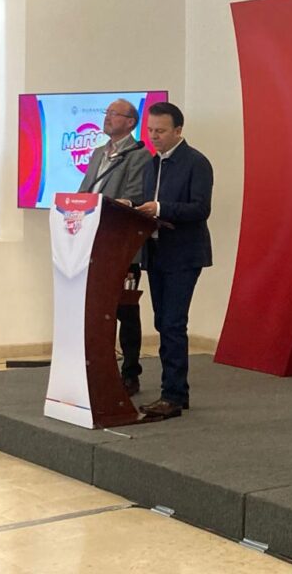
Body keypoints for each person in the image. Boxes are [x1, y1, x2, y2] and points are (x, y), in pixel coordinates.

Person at [135, 102, 213, 419]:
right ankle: (176, 391)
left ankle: (174, 395)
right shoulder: (151, 163)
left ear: (178, 130)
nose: (154, 136)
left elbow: (200, 208)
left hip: (183, 253)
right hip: (156, 251)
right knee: (162, 322)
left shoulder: (196, 162)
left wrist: (160, 209)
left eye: (161, 131)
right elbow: (148, 203)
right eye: (150, 130)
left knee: (173, 323)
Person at [78, 98, 150, 396]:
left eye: (114, 114)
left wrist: (106, 208)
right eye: (106, 113)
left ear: (131, 122)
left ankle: (130, 373)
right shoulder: (98, 153)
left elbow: (134, 197)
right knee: (95, 310)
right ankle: (98, 368)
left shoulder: (139, 155)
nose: (107, 118)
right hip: (91, 244)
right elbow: (84, 192)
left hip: (121, 246)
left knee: (125, 310)